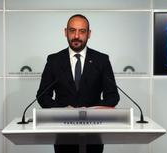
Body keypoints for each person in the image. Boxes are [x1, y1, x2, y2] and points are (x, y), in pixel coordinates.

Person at [36, 14, 120, 153]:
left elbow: (113, 96)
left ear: (89, 34)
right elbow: (42, 96)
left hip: (94, 129)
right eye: (72, 30)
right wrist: (64, 109)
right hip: (63, 130)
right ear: (65, 32)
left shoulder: (101, 60)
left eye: (82, 31)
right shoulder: (54, 60)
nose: (76, 36)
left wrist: (93, 110)